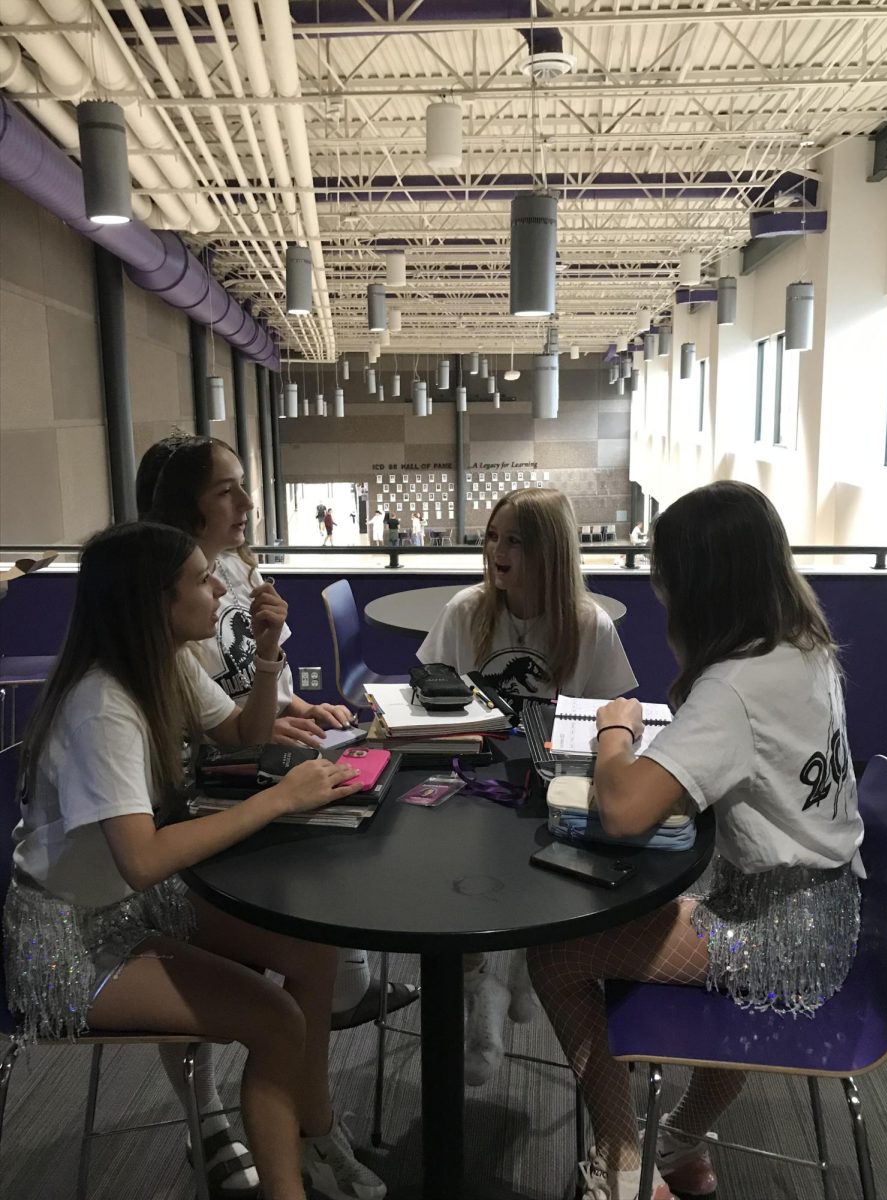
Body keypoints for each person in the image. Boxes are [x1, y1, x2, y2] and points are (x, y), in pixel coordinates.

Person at [3, 522, 388, 1200]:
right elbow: (143, 860)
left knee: (313, 951)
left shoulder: (167, 661)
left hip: (124, 905)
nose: (218, 588)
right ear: (158, 602)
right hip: (62, 943)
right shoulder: (103, 707)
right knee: (276, 1021)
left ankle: (315, 1131)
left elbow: (242, 731)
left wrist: (268, 655)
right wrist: (277, 803)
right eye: (200, 579)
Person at [527, 481, 864, 1200]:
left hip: (777, 933)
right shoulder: (804, 648)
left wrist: (616, 729)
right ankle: (678, 1145)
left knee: (555, 954)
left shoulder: (737, 687)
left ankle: (622, 1158)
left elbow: (622, 810)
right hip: (832, 915)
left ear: (696, 586)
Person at [135, 435, 418, 1191]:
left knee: (317, 935)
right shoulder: (165, 622)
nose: (247, 507)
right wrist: (267, 731)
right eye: (229, 491)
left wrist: (283, 698)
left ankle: (312, 1117)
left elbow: (239, 712)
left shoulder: (224, 576)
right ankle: (213, 1119)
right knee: (282, 954)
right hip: (186, 831)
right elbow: (225, 736)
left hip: (231, 787)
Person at [416, 488, 637, 1087]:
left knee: (533, 887)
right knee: (457, 897)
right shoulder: (467, 610)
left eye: (516, 539)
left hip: (553, 793)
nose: (498, 551)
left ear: (552, 551)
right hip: (472, 786)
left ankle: (503, 984)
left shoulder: (588, 625)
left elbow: (616, 714)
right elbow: (429, 694)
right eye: (492, 536)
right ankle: (489, 997)